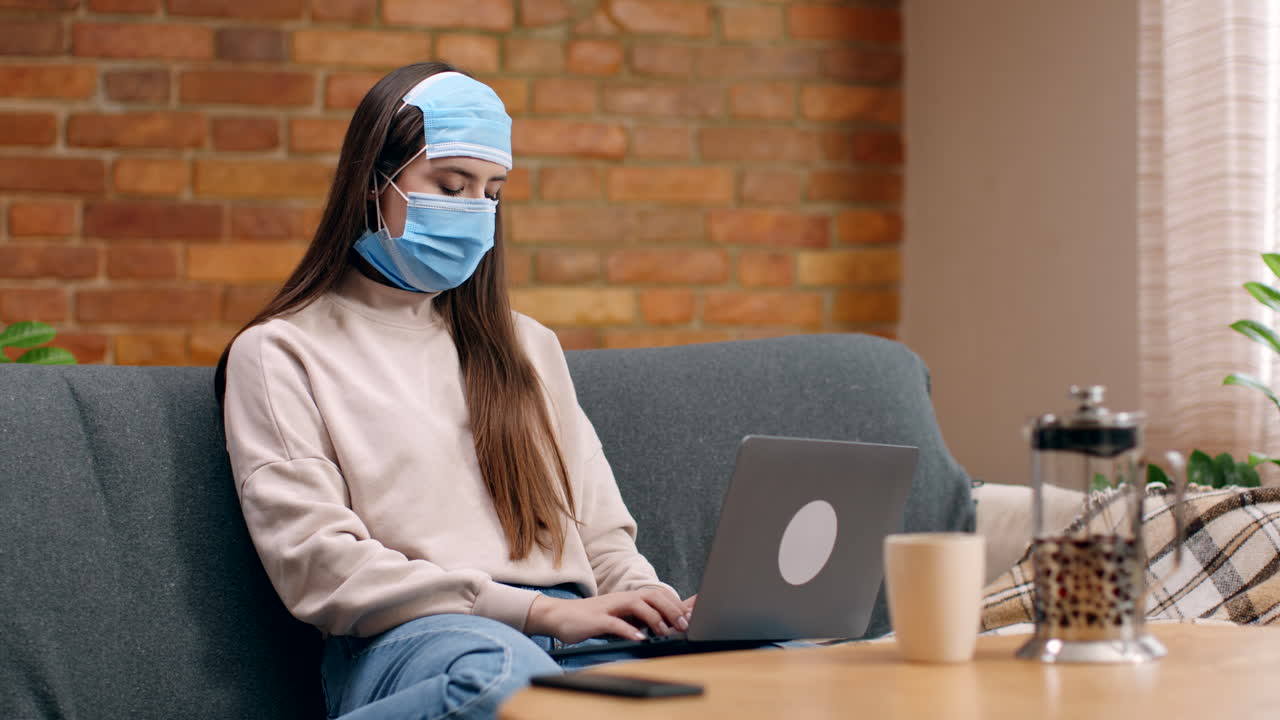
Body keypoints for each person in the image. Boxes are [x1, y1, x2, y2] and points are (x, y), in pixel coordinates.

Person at [215, 62, 693, 720]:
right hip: (418, 639)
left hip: (577, 636)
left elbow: (602, 535)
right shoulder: (279, 353)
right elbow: (319, 566)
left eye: (491, 191)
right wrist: (538, 610)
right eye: (451, 184)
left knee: (778, 663)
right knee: (507, 681)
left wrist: (656, 608)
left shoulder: (528, 346)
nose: (474, 211)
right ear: (373, 183)